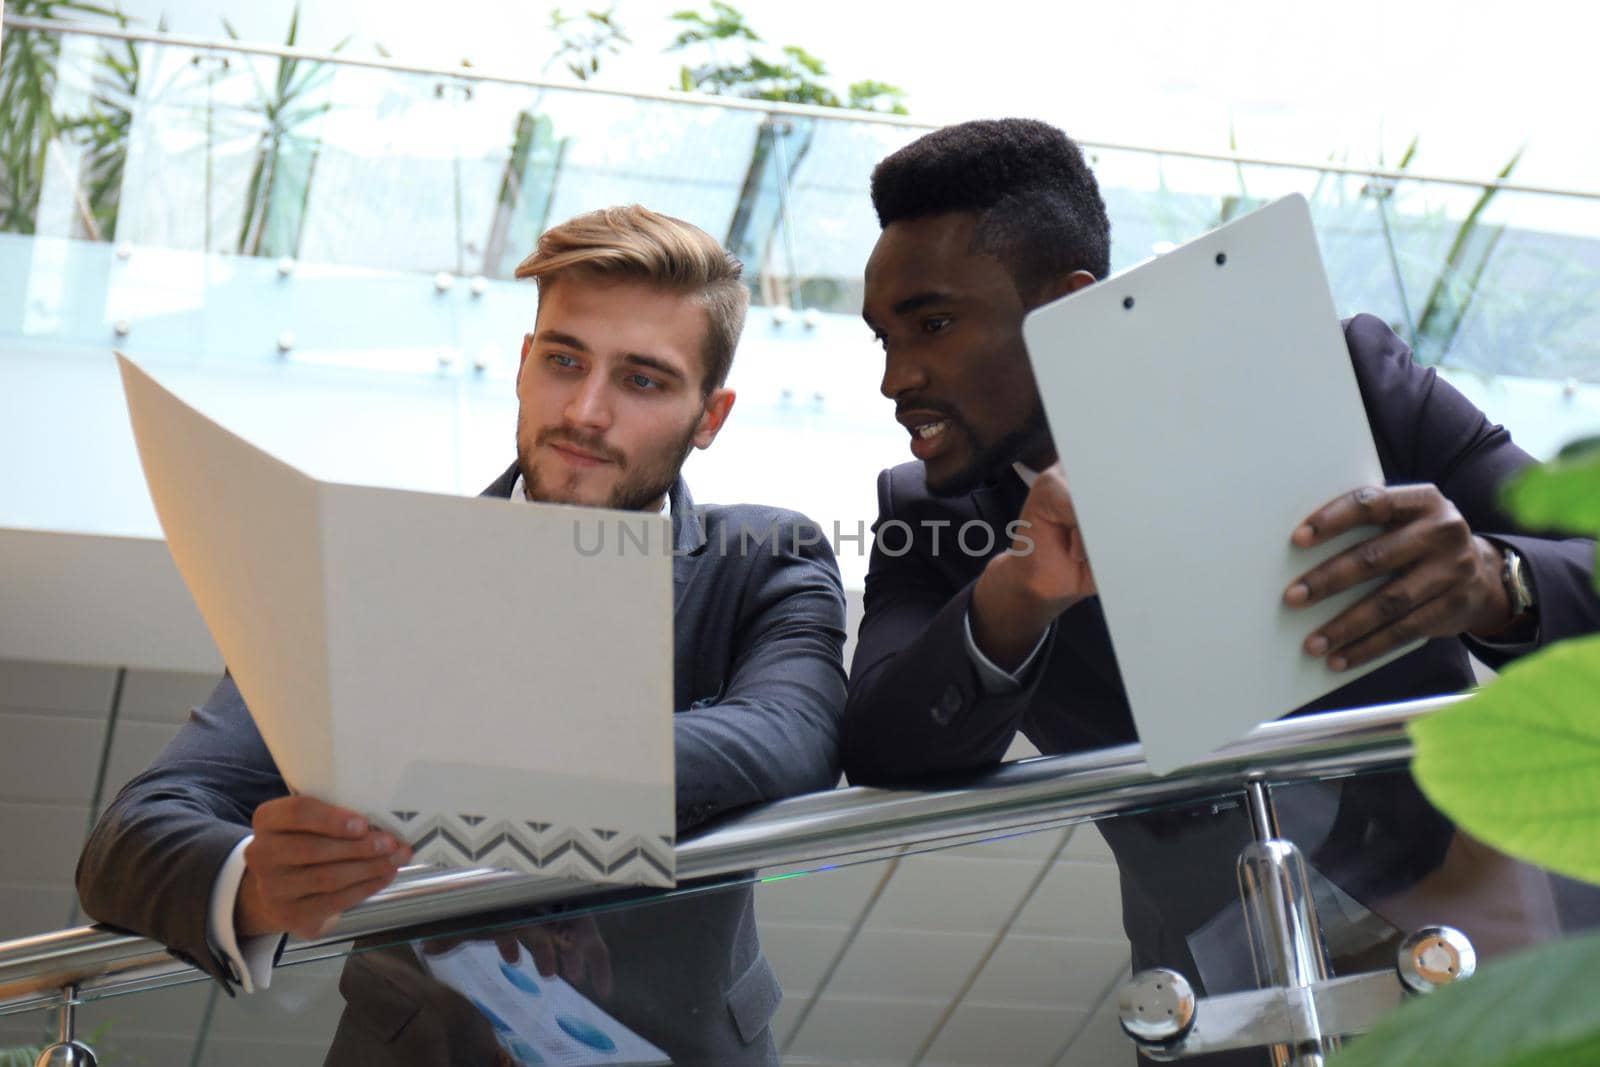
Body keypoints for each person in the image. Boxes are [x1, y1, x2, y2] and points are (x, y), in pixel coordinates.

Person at [842, 119, 1600, 1064]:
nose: (894, 375)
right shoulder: (928, 517)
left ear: (1065, 309)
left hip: (1495, 924)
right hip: (1220, 995)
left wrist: (1499, 582)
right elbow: (877, 744)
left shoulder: (1340, 377)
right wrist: (1015, 597)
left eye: (934, 324)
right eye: (883, 335)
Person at [77, 205, 848, 1066]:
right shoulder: (373, 576)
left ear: (711, 415)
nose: (586, 411)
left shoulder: (762, 555)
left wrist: (451, 754)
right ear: (523, 366)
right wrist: (256, 879)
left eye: (642, 380)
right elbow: (133, 834)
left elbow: (793, 741)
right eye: (564, 361)